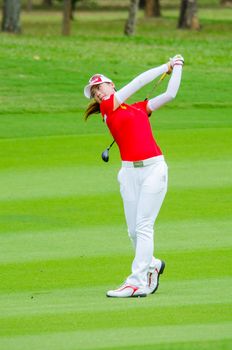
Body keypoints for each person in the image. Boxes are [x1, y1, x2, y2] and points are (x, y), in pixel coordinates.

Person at [83, 55, 184, 298]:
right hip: (128, 173)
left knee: (144, 226)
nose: (97, 93)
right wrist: (165, 66)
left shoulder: (139, 107)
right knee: (133, 232)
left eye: (100, 87)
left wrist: (177, 67)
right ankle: (152, 266)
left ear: (111, 85)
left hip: (154, 169)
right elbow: (138, 81)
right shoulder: (108, 108)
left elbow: (170, 94)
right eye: (94, 91)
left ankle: (136, 281)